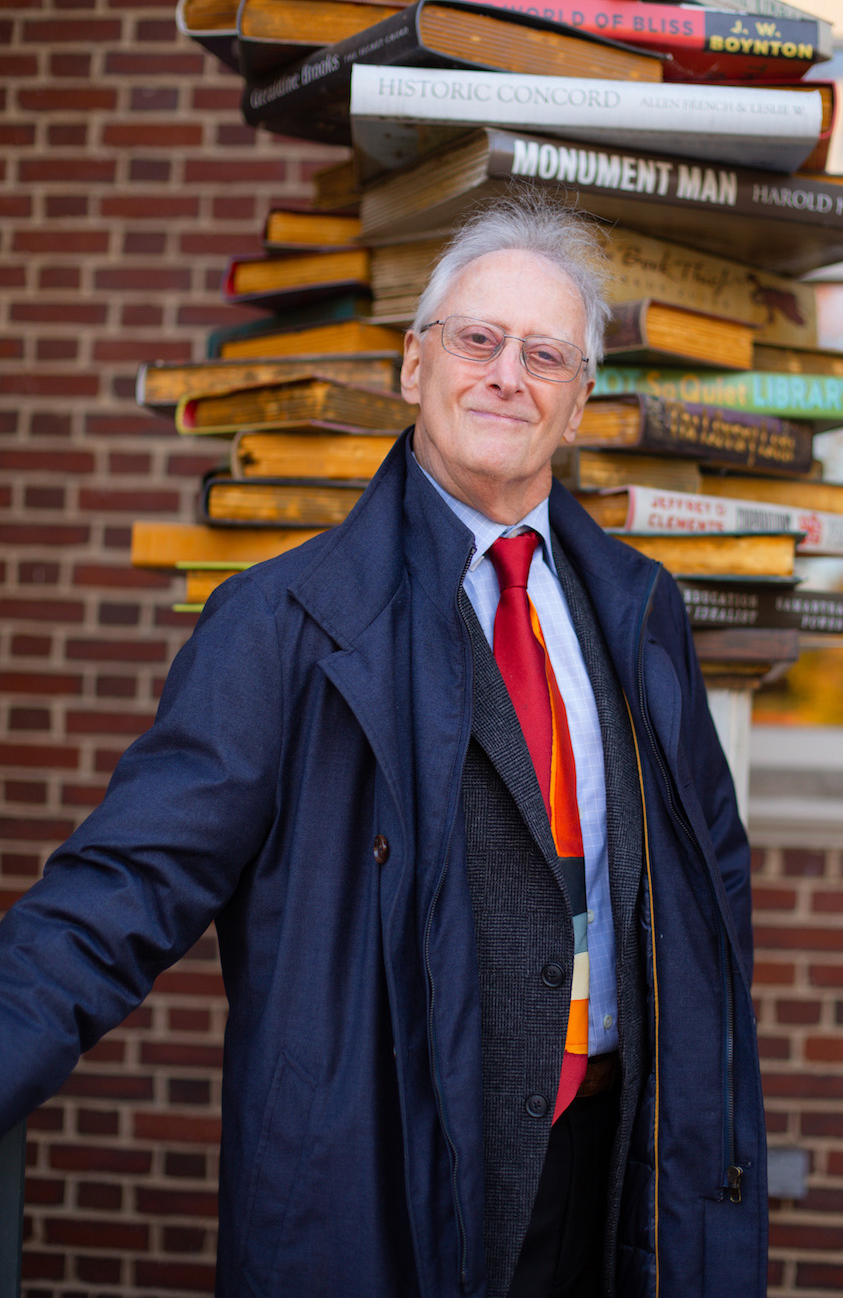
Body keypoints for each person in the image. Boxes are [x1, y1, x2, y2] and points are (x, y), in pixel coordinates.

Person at [0, 193, 766, 1298]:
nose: (508, 373)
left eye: (545, 353)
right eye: (477, 338)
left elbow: (711, 879)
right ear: (416, 367)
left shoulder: (640, 611)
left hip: (609, 1174)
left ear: (580, 401)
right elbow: (128, 880)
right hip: (392, 1171)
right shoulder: (284, 622)